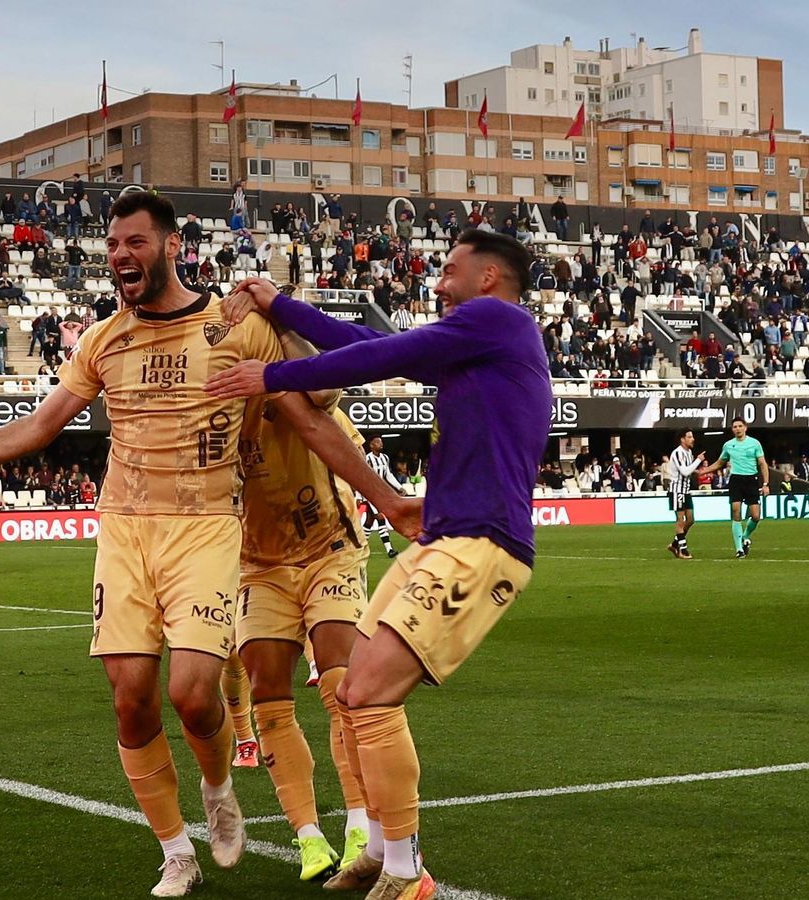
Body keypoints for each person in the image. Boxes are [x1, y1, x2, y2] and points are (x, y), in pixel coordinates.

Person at [0, 192, 390, 897]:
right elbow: (38, 428)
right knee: (131, 698)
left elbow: (318, 399)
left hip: (207, 530)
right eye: (113, 246)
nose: (120, 256)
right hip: (125, 530)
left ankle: (218, 786)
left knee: (193, 695)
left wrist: (280, 312)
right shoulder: (102, 340)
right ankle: (174, 850)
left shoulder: (232, 323)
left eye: (134, 242)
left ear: (170, 246)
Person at [205, 229, 552, 898]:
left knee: (368, 694)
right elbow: (366, 346)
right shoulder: (478, 344)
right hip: (442, 541)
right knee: (352, 695)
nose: (438, 283)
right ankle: (389, 856)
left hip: (481, 545)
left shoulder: (498, 319)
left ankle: (404, 871)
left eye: (450, 271)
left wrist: (271, 374)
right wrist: (280, 305)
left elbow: (378, 355)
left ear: (487, 278)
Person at [232, 377, 409, 881]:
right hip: (257, 565)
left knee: (342, 687)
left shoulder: (298, 383)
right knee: (267, 697)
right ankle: (308, 835)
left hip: (329, 550)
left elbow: (325, 389)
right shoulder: (213, 402)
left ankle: (359, 824)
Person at [697, 417, 769, 559]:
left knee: (755, 516)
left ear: (745, 427)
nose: (737, 429)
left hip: (751, 479)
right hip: (736, 480)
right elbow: (720, 462)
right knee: (736, 511)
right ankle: (739, 549)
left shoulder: (754, 443)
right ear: (732, 429)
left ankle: (745, 536)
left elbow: (762, 464)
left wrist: (765, 484)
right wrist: (703, 471)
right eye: (735, 426)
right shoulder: (728, 445)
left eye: (740, 426)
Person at [361, 435, 405, 558]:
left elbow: (388, 475)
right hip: (370, 492)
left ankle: (361, 547)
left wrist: (399, 487)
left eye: (381, 442)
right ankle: (389, 549)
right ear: (371, 445)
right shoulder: (367, 458)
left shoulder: (384, 458)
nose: (381, 444)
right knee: (380, 517)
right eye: (377, 442)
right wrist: (360, 495)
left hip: (379, 493)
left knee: (369, 522)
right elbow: (363, 477)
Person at [666, 430, 704, 560]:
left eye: (692, 436)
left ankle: (675, 544)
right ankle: (683, 549)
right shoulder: (677, 453)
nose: (692, 439)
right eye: (689, 437)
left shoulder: (688, 453)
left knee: (690, 519)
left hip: (686, 490)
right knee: (680, 519)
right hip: (677, 490)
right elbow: (685, 471)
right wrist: (698, 461)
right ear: (682, 439)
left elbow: (689, 471)